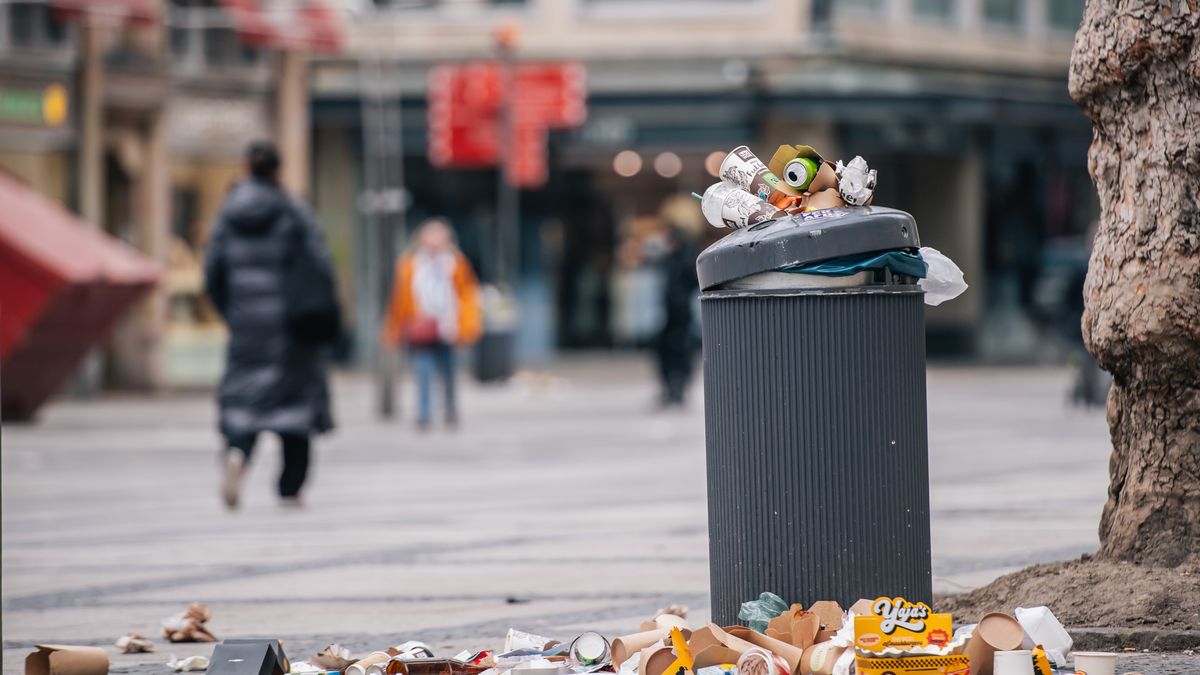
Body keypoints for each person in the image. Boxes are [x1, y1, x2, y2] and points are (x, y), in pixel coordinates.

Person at [204, 141, 336, 509]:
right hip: (292, 326)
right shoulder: (295, 212)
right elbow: (320, 266)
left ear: (246, 168)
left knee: (246, 403)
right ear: (279, 170)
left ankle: (238, 458)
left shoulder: (226, 217)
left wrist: (233, 313)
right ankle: (290, 488)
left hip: (247, 326)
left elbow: (212, 274)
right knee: (295, 410)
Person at [382, 218, 482, 430]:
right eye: (430, 236)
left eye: (439, 236)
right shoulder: (410, 264)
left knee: (449, 373)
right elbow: (399, 299)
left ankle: (450, 409)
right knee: (423, 372)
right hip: (421, 327)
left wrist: (467, 325)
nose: (434, 241)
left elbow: (467, 295)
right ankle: (424, 413)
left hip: (448, 327)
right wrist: (394, 330)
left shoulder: (456, 263)